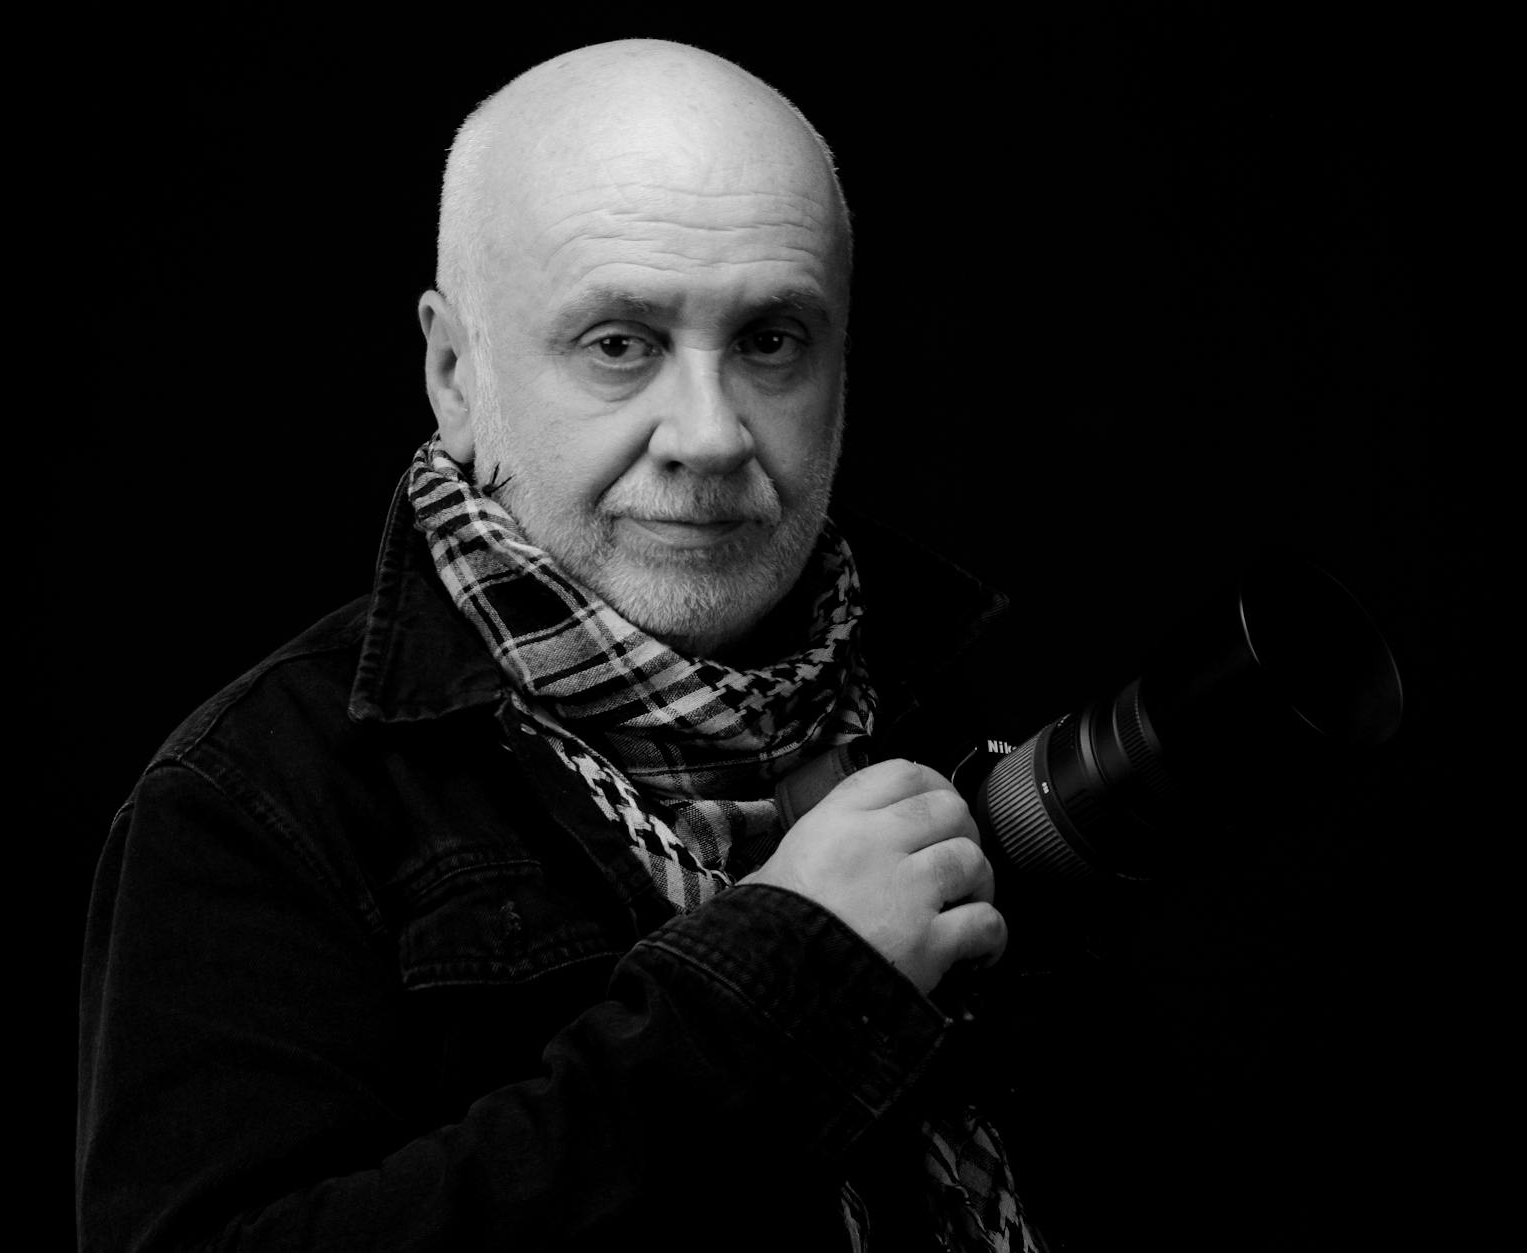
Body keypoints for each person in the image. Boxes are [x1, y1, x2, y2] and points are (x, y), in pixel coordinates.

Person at [77, 39, 1049, 1252]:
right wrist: (786, 987)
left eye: (769, 341)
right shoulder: (257, 799)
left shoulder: (952, 711)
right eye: (618, 344)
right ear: (453, 372)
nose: (708, 434)